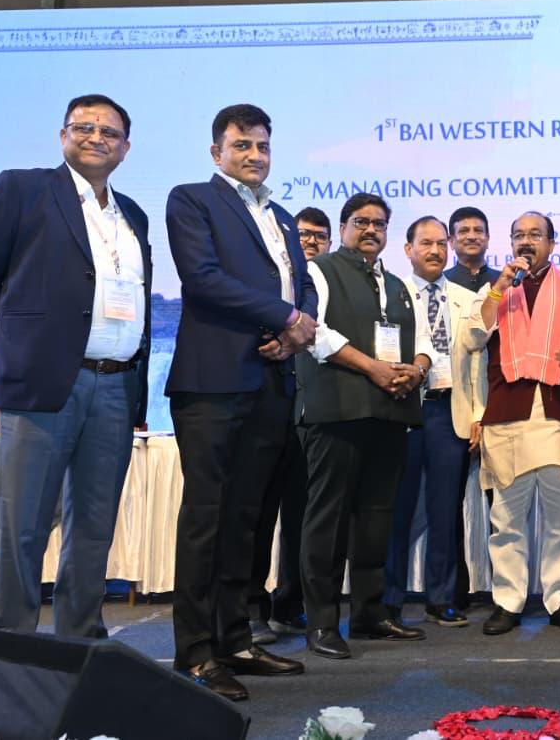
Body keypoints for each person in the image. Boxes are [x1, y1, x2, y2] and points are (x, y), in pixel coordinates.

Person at [0, 94, 150, 640]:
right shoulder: (23, 188)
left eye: (109, 132)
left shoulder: (132, 213)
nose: (96, 138)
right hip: (44, 383)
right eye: (83, 127)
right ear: (62, 136)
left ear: (126, 148)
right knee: (24, 525)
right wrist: (20, 347)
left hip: (116, 385)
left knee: (94, 525)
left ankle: (80, 638)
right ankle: (13, 640)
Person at [166, 103, 317, 701]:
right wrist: (285, 317)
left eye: (262, 146)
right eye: (242, 145)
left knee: (246, 518)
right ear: (217, 152)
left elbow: (301, 285)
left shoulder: (281, 216)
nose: (254, 155)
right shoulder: (192, 200)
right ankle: (195, 652)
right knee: (207, 517)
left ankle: (234, 638)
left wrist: (292, 332)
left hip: (271, 379)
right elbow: (203, 278)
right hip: (214, 381)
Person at [300, 193, 435, 660]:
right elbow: (314, 333)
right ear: (342, 228)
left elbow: (423, 341)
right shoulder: (319, 270)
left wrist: (416, 370)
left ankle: (369, 614)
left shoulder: (397, 284)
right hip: (337, 411)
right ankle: (321, 622)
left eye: (379, 224)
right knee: (329, 519)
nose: (371, 230)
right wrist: (373, 368)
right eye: (361, 222)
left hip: (390, 412)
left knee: (377, 517)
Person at [463, 211, 560, 637]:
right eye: (518, 235)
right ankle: (508, 602)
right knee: (507, 520)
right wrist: (498, 289)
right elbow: (473, 336)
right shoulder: (496, 289)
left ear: (551, 242)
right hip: (508, 418)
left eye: (535, 235)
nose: (526, 242)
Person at [245, 206, 335, 645]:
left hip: (313, 418)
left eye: (319, 235)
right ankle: (251, 609)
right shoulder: (272, 288)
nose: (311, 242)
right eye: (303, 235)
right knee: (259, 514)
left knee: (302, 518)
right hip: (269, 409)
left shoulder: (328, 286)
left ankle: (290, 603)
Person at [384, 216, 478, 628]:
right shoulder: (391, 293)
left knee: (445, 510)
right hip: (403, 407)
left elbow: (478, 363)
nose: (436, 251)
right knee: (397, 509)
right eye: (426, 243)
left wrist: (478, 416)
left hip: (448, 410)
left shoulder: (466, 298)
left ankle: (441, 598)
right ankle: (389, 599)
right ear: (408, 249)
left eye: (442, 243)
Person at [443, 206, 501, 293]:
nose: (472, 237)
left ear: (487, 239)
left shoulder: (503, 281)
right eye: (463, 231)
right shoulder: (441, 282)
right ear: (451, 241)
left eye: (478, 230)